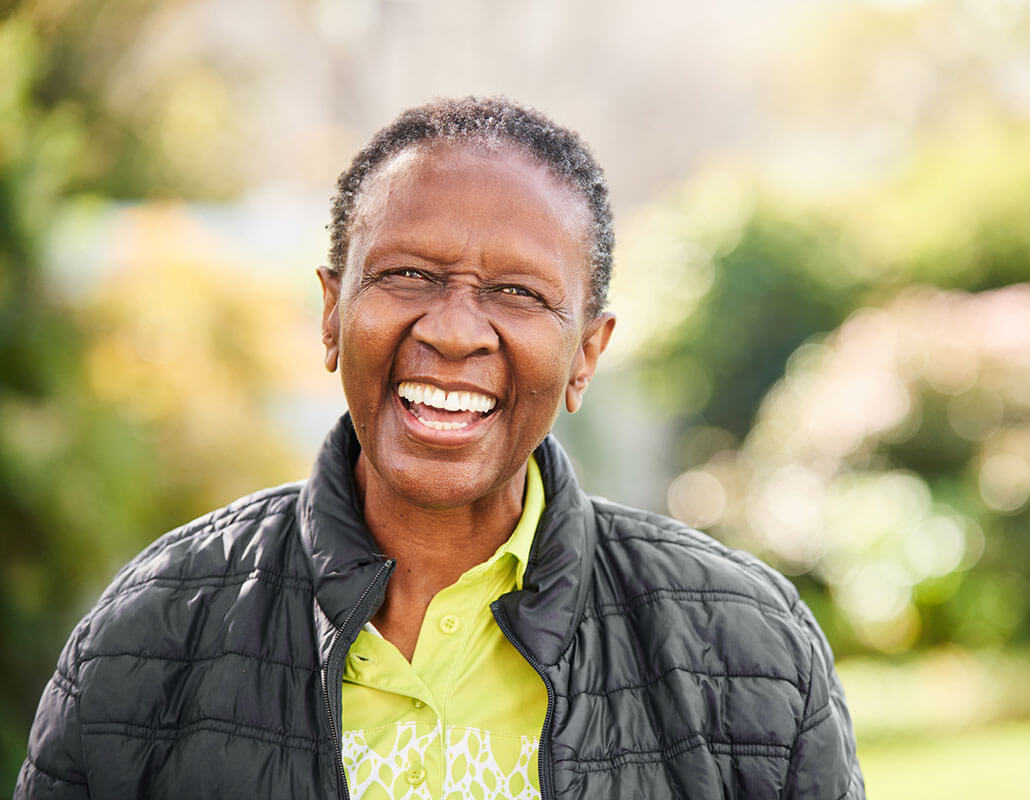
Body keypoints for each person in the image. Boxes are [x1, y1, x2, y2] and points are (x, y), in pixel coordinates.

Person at [17, 97, 864, 799]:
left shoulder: (746, 648)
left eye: (517, 292)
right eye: (407, 276)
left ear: (586, 356)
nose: (455, 330)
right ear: (330, 313)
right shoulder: (155, 629)